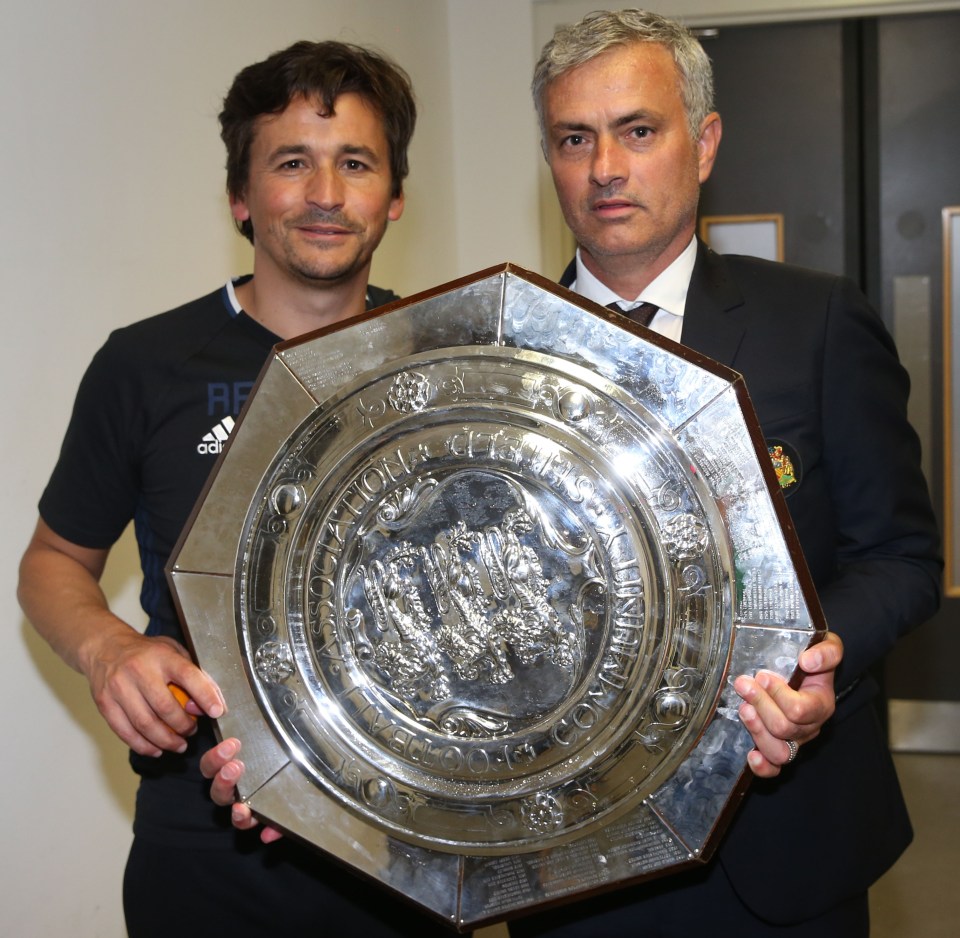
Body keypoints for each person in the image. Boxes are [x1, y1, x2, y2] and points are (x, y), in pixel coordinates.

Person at [507, 9, 942, 937]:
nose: (606, 170)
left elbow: (903, 556)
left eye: (638, 130)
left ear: (702, 145)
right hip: (569, 859)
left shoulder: (815, 323)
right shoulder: (497, 356)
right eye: (574, 138)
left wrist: (818, 662)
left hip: (785, 841)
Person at [17, 39, 456, 938]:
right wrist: (107, 649)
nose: (326, 194)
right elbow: (53, 561)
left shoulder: (452, 366)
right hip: (206, 841)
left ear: (396, 197)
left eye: (356, 164)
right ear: (239, 197)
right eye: (292, 162)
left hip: (409, 840)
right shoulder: (144, 365)